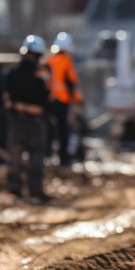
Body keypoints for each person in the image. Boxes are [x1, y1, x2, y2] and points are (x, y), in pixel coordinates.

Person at [3, 35, 50, 198]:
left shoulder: (13, 73)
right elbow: (48, 98)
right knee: (36, 154)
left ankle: (15, 186)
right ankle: (35, 188)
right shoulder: (42, 75)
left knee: (15, 154)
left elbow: (7, 97)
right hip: (36, 121)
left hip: (17, 119)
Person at [44, 32, 82, 168]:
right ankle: (63, 159)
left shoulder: (49, 60)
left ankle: (47, 155)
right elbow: (72, 82)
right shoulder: (66, 61)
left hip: (49, 99)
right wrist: (76, 101)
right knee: (63, 130)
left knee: (49, 129)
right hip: (63, 100)